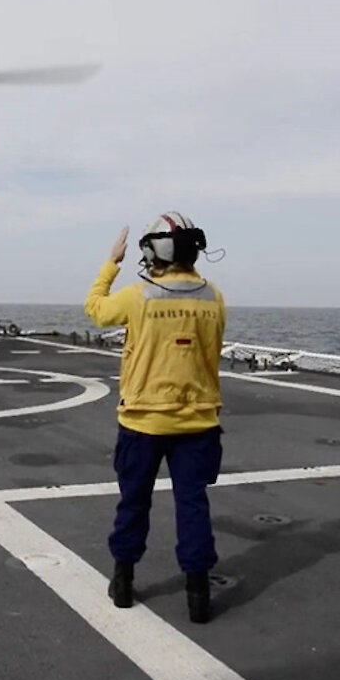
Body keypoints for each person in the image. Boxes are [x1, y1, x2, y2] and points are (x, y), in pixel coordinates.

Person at [84, 212, 226, 624]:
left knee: (133, 504)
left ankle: (123, 583)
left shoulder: (138, 295)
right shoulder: (213, 296)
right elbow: (210, 351)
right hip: (198, 424)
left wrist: (111, 262)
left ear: (152, 251)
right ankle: (198, 596)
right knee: (193, 506)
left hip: (143, 423)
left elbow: (95, 309)